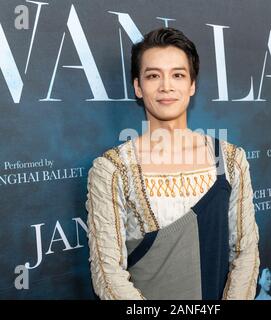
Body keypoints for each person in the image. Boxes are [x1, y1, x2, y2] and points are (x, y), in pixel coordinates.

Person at [85, 27, 260, 300]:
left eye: (177, 75)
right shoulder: (112, 170)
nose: (166, 86)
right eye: (153, 75)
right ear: (138, 87)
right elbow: (108, 275)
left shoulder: (230, 159)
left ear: (192, 85)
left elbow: (245, 253)